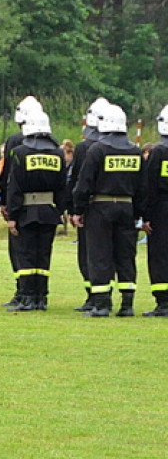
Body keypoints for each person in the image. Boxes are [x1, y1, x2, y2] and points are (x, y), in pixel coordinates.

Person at [70, 103, 144, 317]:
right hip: (127, 207)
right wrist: (138, 213)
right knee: (126, 255)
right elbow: (142, 187)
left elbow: (83, 184)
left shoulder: (97, 150)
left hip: (100, 207)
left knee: (100, 254)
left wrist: (78, 210)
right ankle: (127, 304)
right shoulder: (135, 151)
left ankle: (102, 304)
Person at [3, 110, 68, 311]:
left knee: (26, 255)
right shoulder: (58, 153)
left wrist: (12, 215)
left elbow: (14, 187)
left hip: (26, 210)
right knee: (43, 256)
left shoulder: (20, 153)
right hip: (49, 210)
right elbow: (63, 185)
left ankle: (27, 297)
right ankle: (41, 297)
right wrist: (60, 209)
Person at [0, 95, 43, 308]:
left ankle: (22, 292)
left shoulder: (15, 141)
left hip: (21, 204)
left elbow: (8, 175)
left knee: (20, 250)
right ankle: (39, 294)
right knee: (41, 252)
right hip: (46, 206)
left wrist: (5, 202)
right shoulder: (51, 144)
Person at [67, 97, 109, 312]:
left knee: (88, 254)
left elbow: (77, 180)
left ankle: (94, 296)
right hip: (119, 208)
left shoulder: (85, 148)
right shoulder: (125, 148)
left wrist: (74, 209)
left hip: (91, 208)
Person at [140, 105, 168, 316]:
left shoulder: (159, 151)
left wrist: (146, 216)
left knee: (159, 255)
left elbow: (148, 185)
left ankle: (163, 302)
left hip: (161, 209)